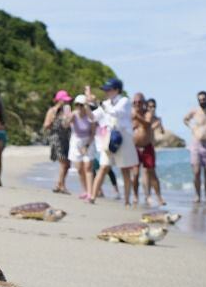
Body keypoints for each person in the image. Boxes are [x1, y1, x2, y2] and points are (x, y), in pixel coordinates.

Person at [89, 77, 137, 206]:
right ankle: (92, 196)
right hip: (110, 136)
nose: (106, 92)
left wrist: (100, 104)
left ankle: (127, 200)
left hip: (124, 136)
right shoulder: (106, 103)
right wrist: (87, 107)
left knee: (124, 169)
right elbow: (93, 117)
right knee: (104, 167)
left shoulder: (125, 101)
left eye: (108, 89)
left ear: (117, 90)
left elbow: (116, 113)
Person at [42, 90, 71, 194]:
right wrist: (53, 119)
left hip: (66, 139)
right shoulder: (52, 111)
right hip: (56, 138)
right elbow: (45, 125)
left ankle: (58, 184)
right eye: (64, 100)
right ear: (59, 100)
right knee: (64, 162)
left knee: (68, 164)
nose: (66, 102)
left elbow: (68, 125)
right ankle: (62, 186)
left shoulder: (67, 110)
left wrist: (67, 119)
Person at [68, 94, 97, 199]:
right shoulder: (74, 115)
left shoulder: (90, 116)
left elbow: (93, 133)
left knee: (88, 167)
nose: (79, 107)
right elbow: (65, 125)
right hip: (76, 141)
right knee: (79, 169)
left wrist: (87, 146)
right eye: (77, 105)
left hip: (88, 141)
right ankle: (84, 190)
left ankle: (90, 193)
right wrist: (68, 117)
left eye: (82, 105)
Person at [142, 97, 167, 206]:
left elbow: (162, 131)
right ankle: (147, 196)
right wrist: (153, 125)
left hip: (150, 146)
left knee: (151, 171)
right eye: (150, 106)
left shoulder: (156, 118)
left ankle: (158, 196)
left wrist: (159, 124)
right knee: (144, 172)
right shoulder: (144, 117)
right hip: (141, 146)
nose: (152, 108)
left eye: (153, 106)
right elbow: (146, 129)